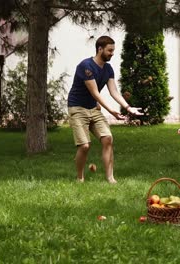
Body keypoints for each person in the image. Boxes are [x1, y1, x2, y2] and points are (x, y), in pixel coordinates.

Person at [67, 36, 142, 184]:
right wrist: (111, 111)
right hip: (77, 108)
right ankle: (80, 178)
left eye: (113, 50)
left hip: (93, 108)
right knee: (85, 146)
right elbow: (95, 93)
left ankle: (110, 178)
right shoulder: (86, 66)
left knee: (108, 138)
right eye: (109, 50)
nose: (112, 53)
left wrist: (127, 107)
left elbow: (114, 91)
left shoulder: (108, 69)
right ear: (100, 49)